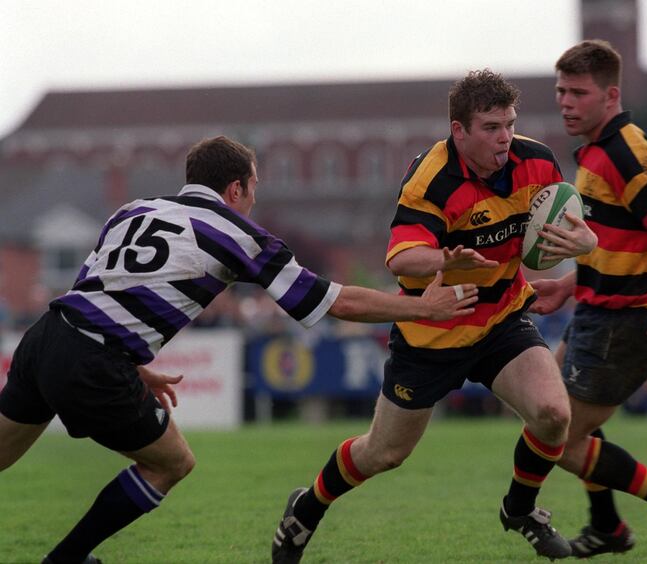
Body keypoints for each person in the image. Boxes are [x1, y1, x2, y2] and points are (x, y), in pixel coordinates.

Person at [0, 135, 481, 564]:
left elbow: (101, 291)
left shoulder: (134, 209)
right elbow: (333, 300)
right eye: (254, 187)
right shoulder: (237, 233)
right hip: (92, 359)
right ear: (236, 189)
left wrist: (131, 363)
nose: (253, 199)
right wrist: (423, 308)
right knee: (172, 463)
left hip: (47, 336)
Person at [271, 69, 598, 563]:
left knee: (553, 414)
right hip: (433, 329)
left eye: (509, 123)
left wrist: (586, 244)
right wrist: (447, 259)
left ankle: (520, 509)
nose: (505, 137)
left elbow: (560, 232)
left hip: (501, 318)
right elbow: (402, 259)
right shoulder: (432, 179)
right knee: (383, 454)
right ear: (458, 130)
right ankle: (308, 507)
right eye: (491, 127)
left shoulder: (536, 160)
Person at [531, 39, 647, 560]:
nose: (566, 101)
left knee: (559, 440)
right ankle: (608, 526)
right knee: (549, 417)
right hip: (594, 312)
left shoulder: (623, 150)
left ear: (610, 95)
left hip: (625, 323)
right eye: (561, 90)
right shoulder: (595, 148)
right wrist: (571, 284)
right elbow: (619, 238)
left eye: (578, 93)